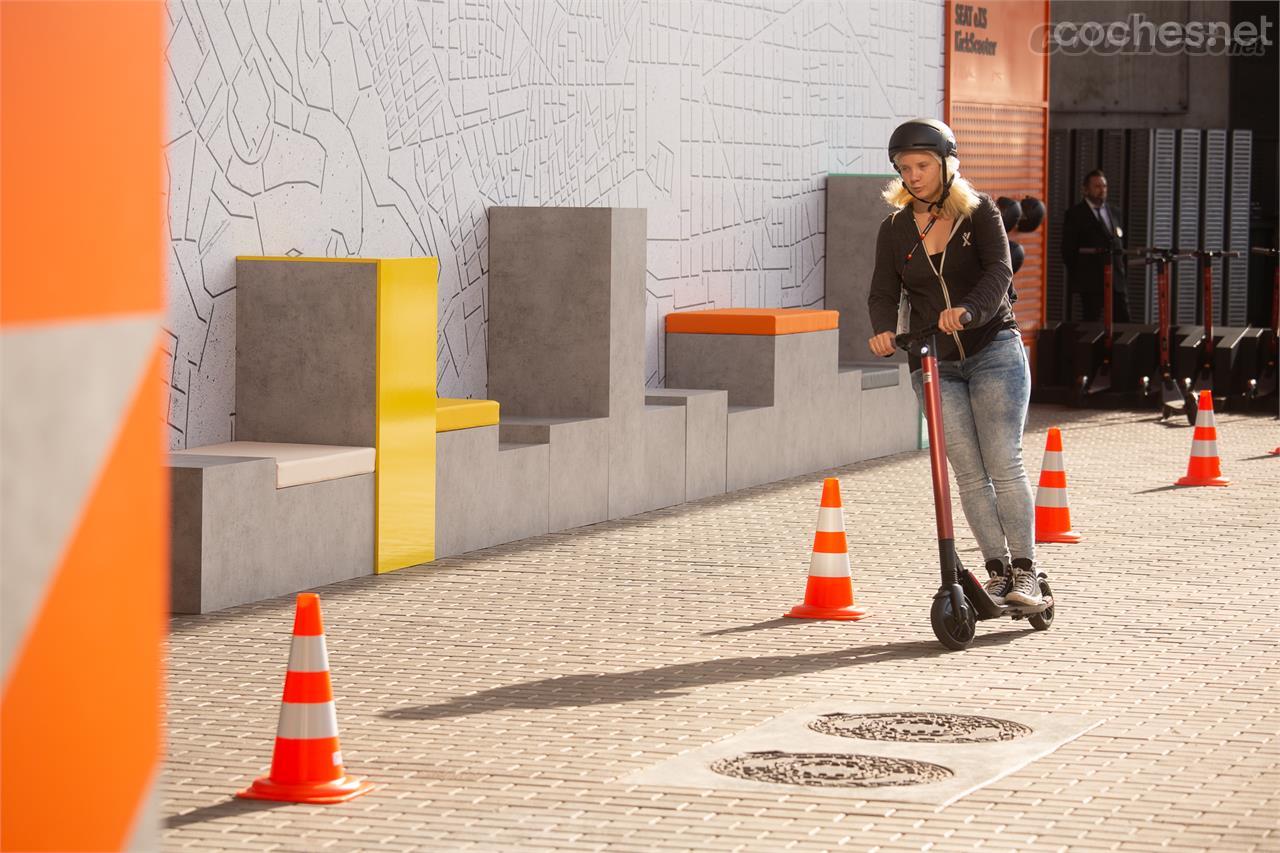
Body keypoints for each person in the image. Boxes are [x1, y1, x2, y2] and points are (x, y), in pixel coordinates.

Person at [865, 118, 1040, 606]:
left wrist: (968, 311)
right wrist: (882, 329)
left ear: (947, 164)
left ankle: (1027, 570)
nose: (914, 175)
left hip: (993, 351)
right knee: (967, 471)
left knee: (1003, 461)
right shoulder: (895, 228)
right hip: (934, 361)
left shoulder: (979, 212)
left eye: (922, 165)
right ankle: (998, 571)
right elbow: (884, 290)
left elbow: (1000, 271)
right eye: (905, 167)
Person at [1061, 169, 1131, 322]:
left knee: (1123, 322)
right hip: (1091, 283)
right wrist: (1080, 276)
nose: (1102, 190)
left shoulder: (1115, 211)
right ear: (1085, 189)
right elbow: (1068, 251)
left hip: (1116, 281)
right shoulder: (1076, 214)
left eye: (1104, 186)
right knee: (1092, 326)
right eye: (1097, 186)